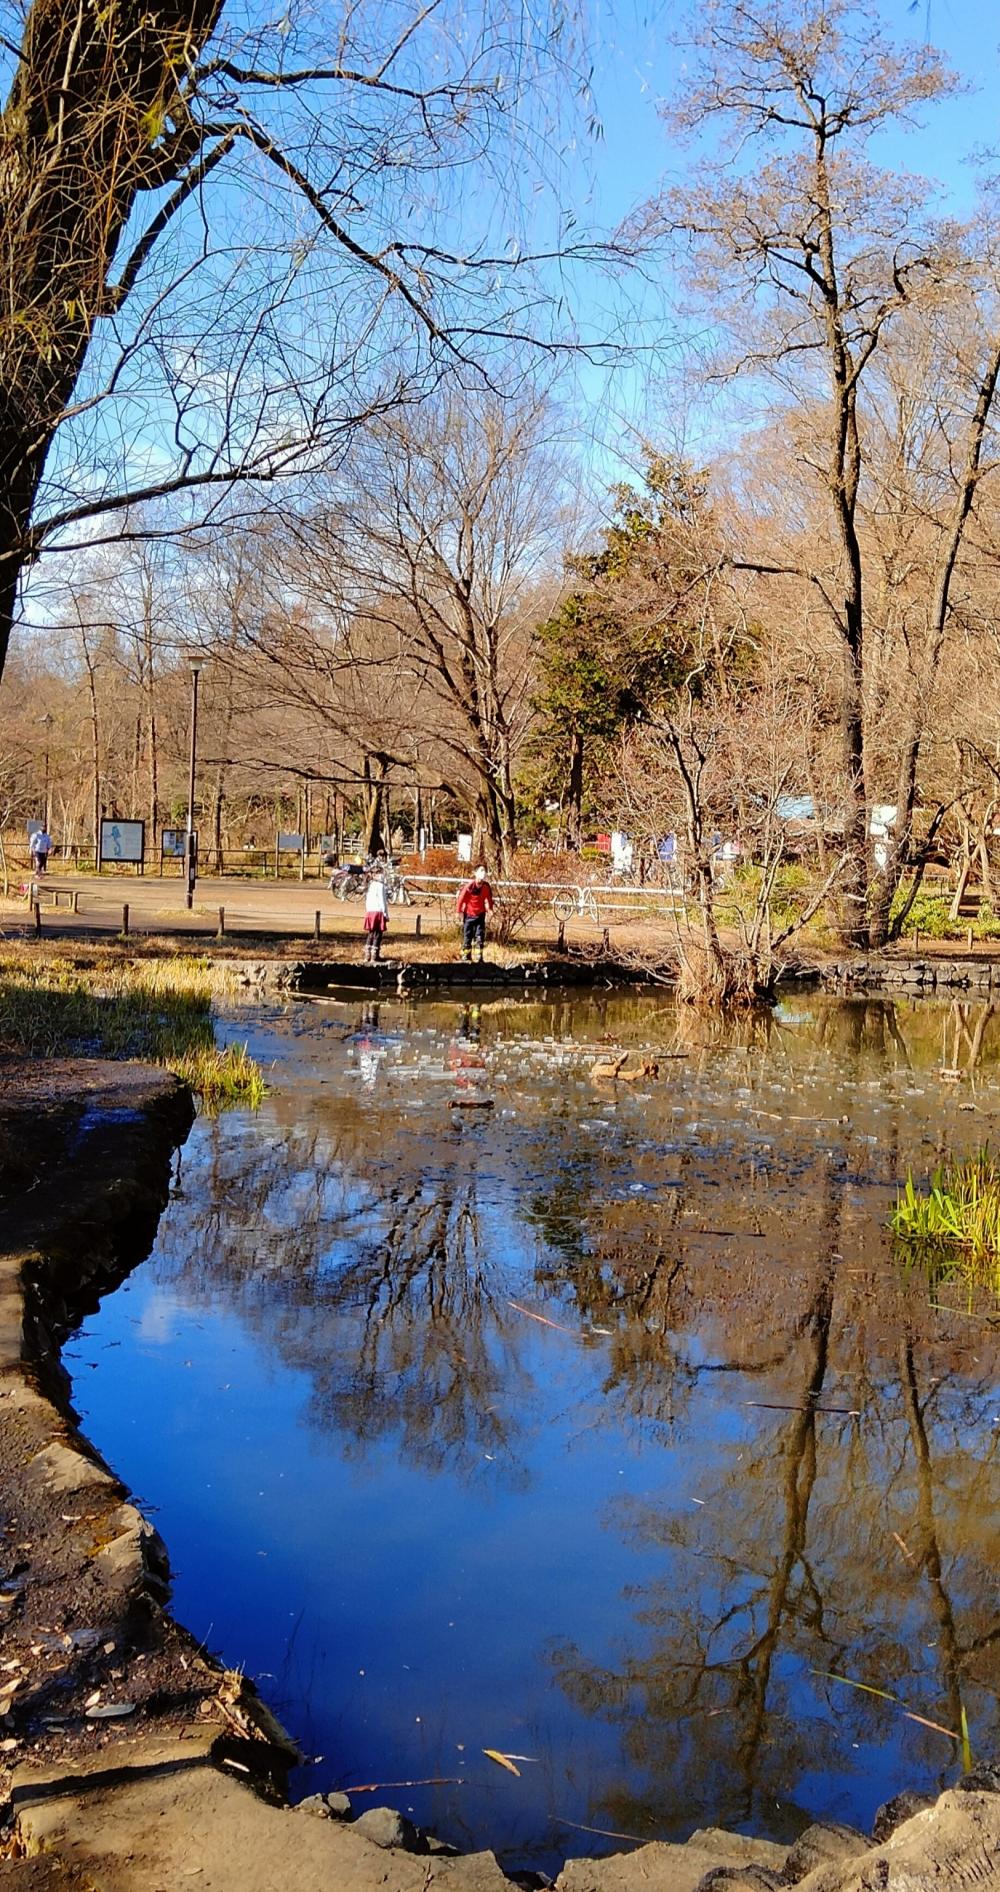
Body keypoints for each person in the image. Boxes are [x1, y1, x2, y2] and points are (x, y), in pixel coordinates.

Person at [456, 865, 493, 963]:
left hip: (480, 914)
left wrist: (490, 909)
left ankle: (479, 957)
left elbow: (489, 898)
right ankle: (466, 957)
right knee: (467, 936)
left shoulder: (486, 887)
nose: (483, 873)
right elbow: (461, 899)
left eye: (484, 871)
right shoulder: (469, 887)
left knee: (480, 936)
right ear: (475, 873)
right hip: (469, 914)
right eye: (481, 871)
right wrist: (458, 911)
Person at [363, 865, 389, 963]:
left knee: (371, 933)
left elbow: (367, 900)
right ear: (376, 874)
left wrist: (368, 911)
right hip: (378, 911)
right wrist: (385, 914)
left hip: (370, 911)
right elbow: (383, 901)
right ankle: (374, 955)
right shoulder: (380, 885)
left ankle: (367, 955)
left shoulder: (370, 885)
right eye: (381, 873)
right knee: (378, 934)